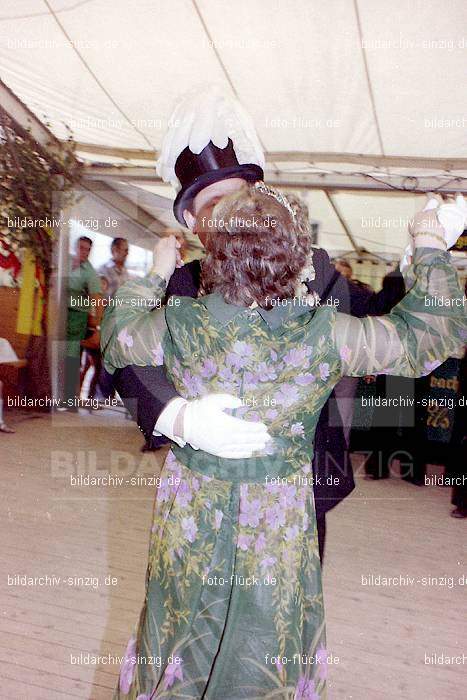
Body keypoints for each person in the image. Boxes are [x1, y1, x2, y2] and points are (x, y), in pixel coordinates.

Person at [102, 185, 466, 699]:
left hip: (190, 513)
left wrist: (157, 272)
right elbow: (432, 335)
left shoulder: (179, 321)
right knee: (266, 635)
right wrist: (429, 239)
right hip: (276, 518)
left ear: (216, 256)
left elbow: (117, 336)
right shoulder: (329, 334)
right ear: (300, 260)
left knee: (178, 627)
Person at [112, 88, 404, 561]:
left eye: (234, 200)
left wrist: (417, 260)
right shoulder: (181, 283)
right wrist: (177, 416)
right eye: (211, 207)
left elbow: (377, 319)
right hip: (205, 488)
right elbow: (126, 359)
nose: (228, 218)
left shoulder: (316, 268)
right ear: (190, 220)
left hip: (300, 488)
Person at [64, 236, 102, 409]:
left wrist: (97, 327)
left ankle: (70, 399)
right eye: (81, 247)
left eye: (87, 249)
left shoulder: (90, 273)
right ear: (75, 247)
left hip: (77, 318)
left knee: (72, 357)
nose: (83, 251)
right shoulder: (63, 262)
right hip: (60, 315)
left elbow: (97, 300)